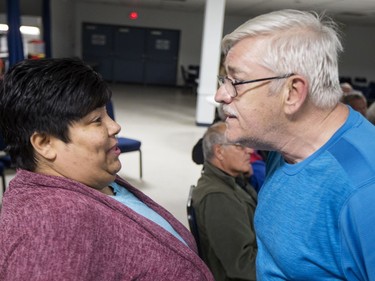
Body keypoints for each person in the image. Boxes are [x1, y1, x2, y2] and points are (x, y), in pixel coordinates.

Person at [0, 58, 214, 281]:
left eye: (106, 114)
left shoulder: (93, 179)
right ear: (45, 143)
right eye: (96, 120)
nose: (115, 126)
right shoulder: (50, 225)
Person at [215, 9, 375, 280]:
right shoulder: (282, 146)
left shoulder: (363, 190)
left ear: (293, 92)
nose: (221, 94)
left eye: (237, 82)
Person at [192, 121, 257, 281]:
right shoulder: (218, 197)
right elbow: (242, 266)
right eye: (240, 146)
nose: (250, 151)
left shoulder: (231, 182)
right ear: (219, 152)